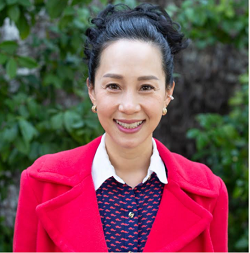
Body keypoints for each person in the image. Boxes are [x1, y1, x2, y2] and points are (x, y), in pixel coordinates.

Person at [13, 3, 228, 252]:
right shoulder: (41, 184)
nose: (128, 106)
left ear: (168, 92)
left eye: (146, 87)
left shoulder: (208, 193)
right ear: (92, 90)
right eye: (113, 86)